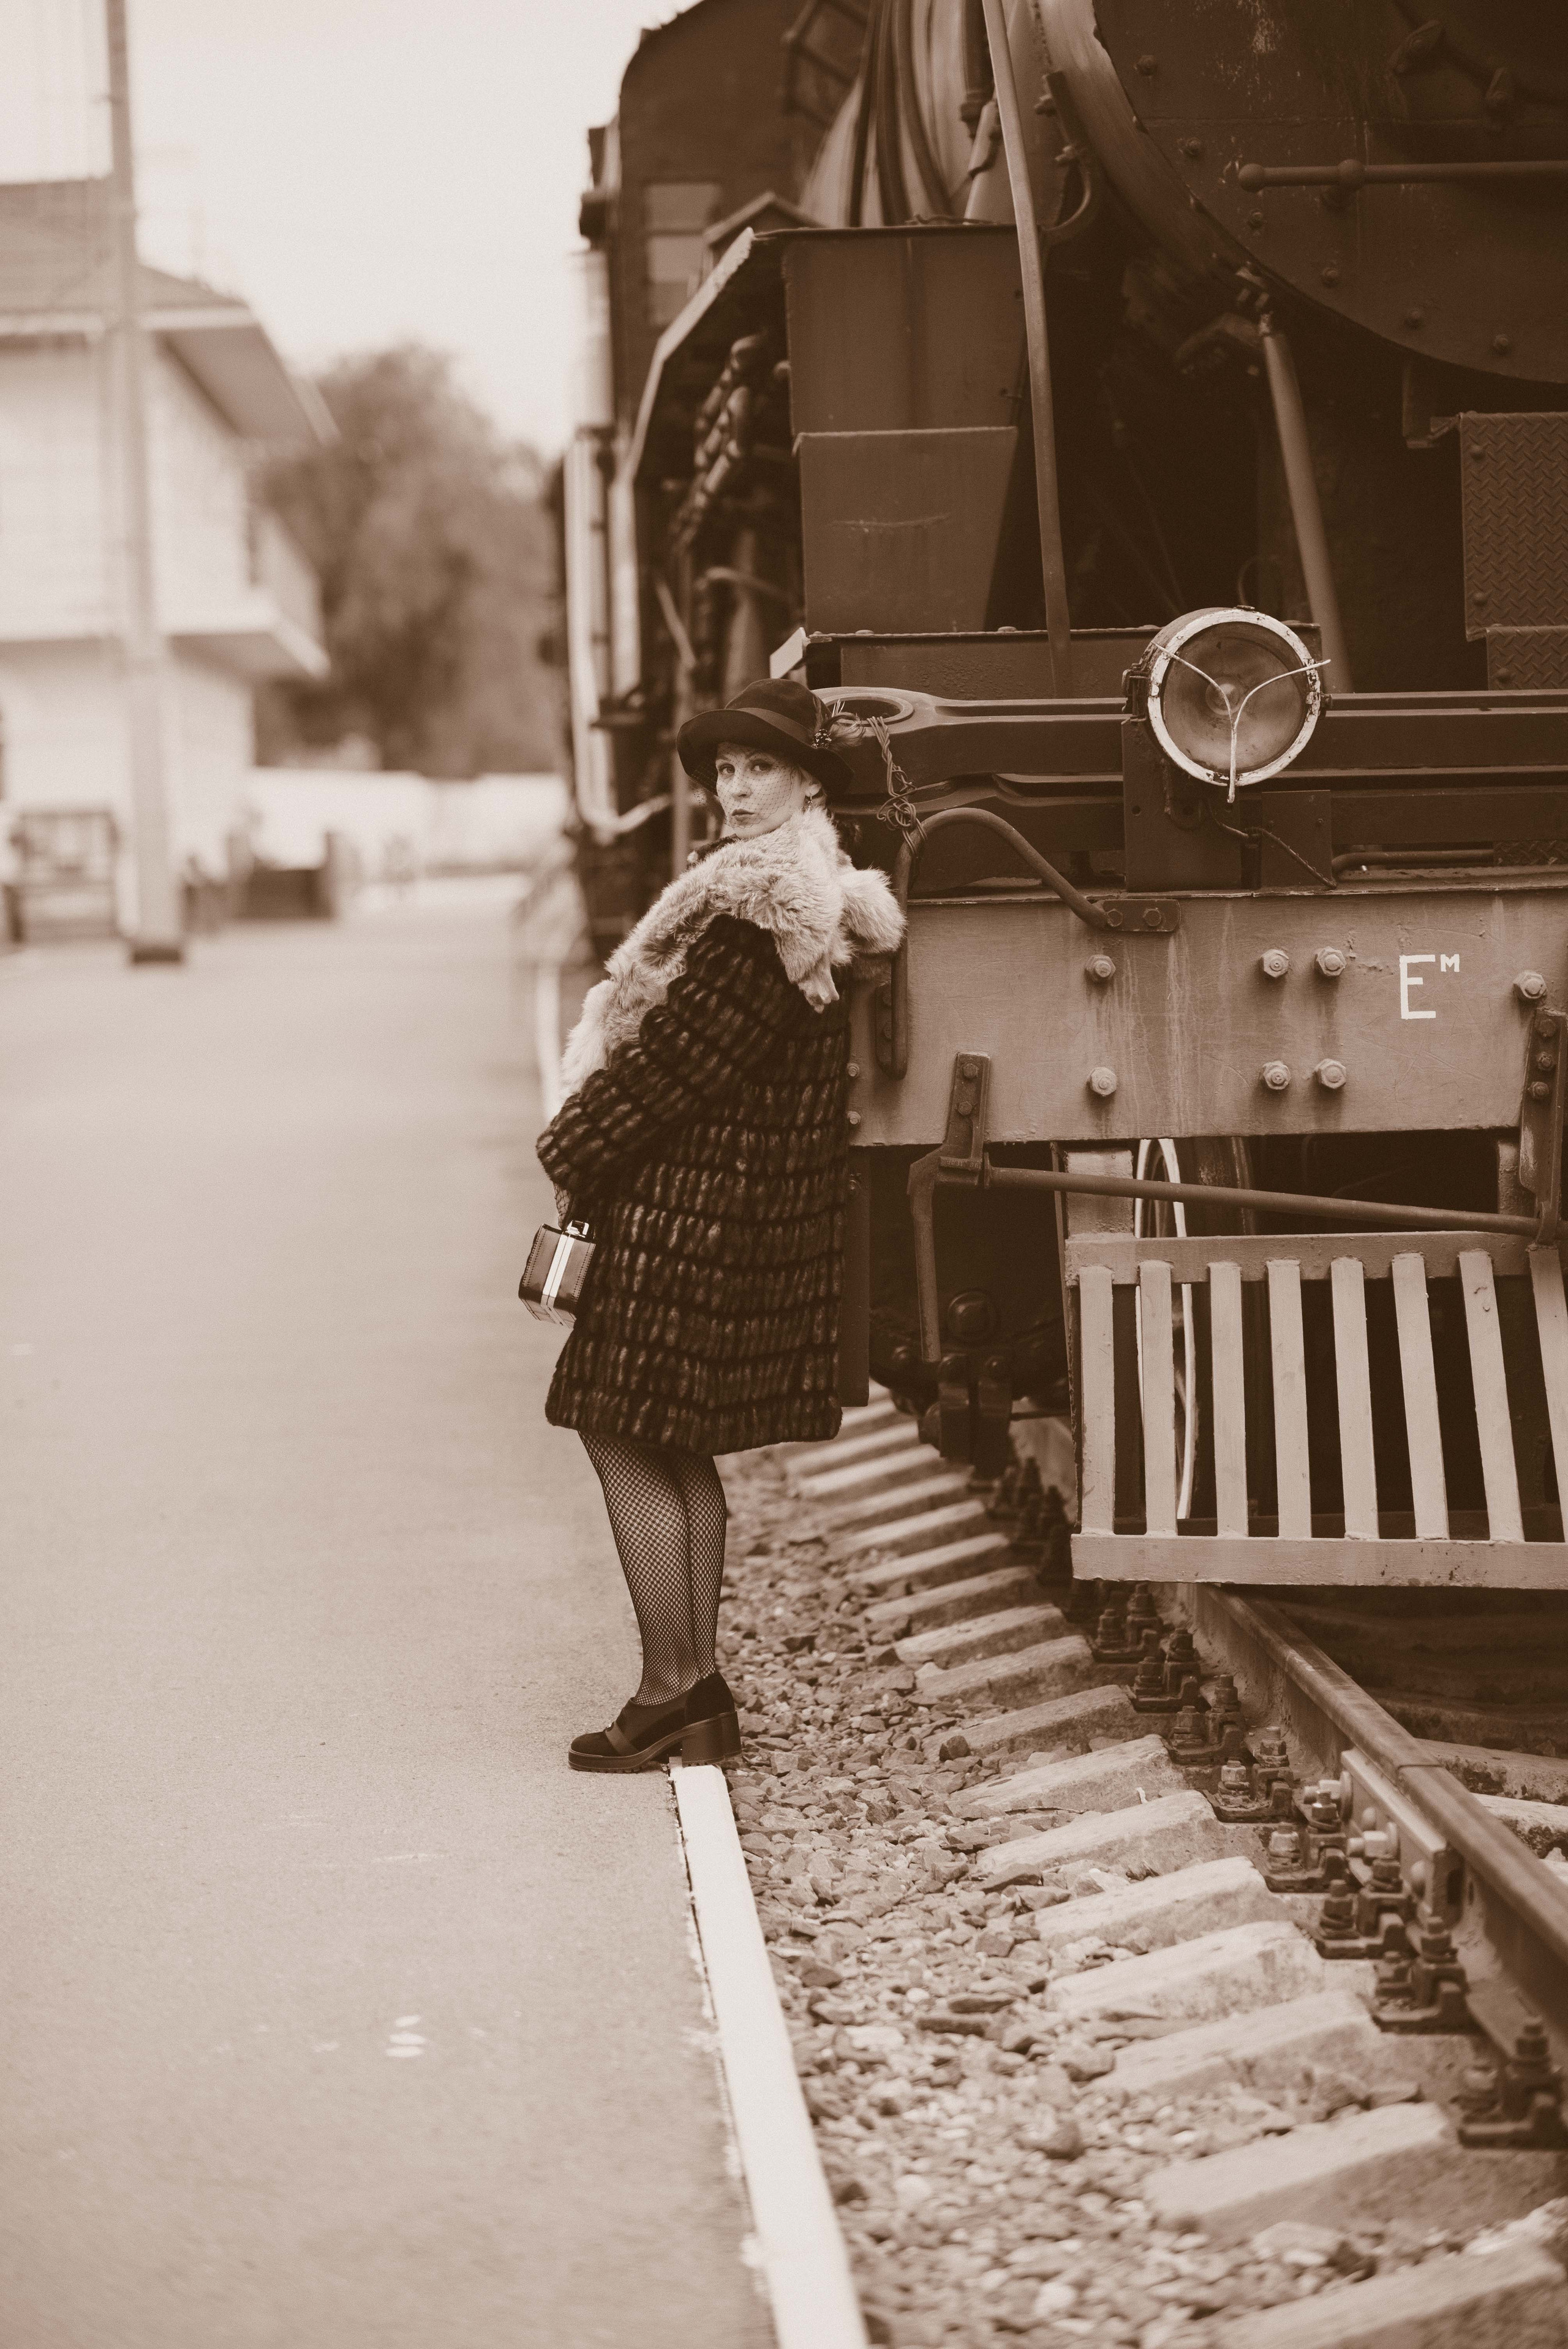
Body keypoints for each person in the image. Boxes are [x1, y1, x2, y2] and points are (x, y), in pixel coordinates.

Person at [535, 678, 905, 1773]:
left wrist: (569, 1143)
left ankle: (669, 1687)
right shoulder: (807, 892)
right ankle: (696, 1692)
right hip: (724, 1206)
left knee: (617, 1423)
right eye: (725, 772)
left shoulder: (764, 908)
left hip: (695, 1207)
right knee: (670, 1434)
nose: (735, 789)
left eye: (759, 770)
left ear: (803, 783)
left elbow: (677, 1065)